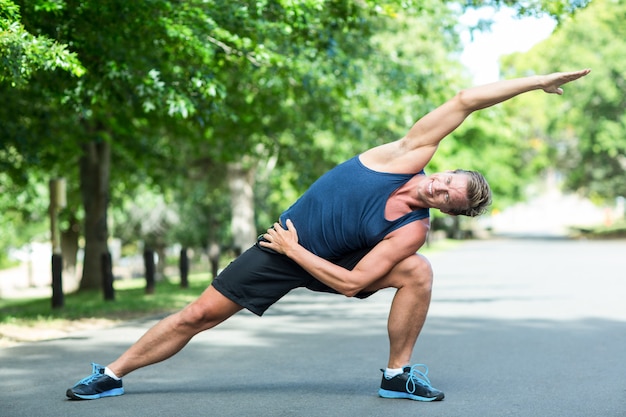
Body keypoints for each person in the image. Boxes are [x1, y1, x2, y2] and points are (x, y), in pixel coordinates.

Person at [66, 69, 590, 402]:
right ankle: (111, 374)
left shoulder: (411, 232)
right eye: (448, 179)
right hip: (281, 250)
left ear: (450, 210)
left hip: (329, 263)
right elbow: (464, 101)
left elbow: (350, 284)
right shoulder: (404, 155)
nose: (440, 187)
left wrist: (298, 251)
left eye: (449, 196)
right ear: (442, 170)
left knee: (418, 272)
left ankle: (396, 375)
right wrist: (535, 81)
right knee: (196, 315)